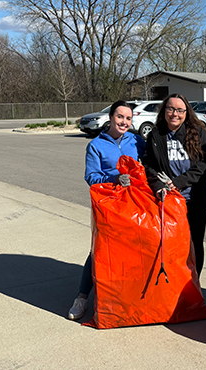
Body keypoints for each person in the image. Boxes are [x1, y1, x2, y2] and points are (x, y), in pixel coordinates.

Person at [68, 100, 145, 320]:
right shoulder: (96, 145)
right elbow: (91, 177)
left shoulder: (137, 141)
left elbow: (147, 167)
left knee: (131, 250)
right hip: (108, 205)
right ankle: (82, 297)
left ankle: (124, 295)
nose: (124, 122)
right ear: (111, 117)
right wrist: (114, 179)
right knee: (100, 250)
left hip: (133, 204)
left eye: (128, 118)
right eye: (120, 117)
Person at [143, 93, 206, 277]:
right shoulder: (155, 135)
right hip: (168, 203)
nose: (174, 114)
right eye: (170, 109)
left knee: (194, 244)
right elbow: (148, 165)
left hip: (195, 201)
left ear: (186, 112)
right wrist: (159, 184)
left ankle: (193, 285)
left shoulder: (198, 132)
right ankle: (174, 287)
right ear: (164, 110)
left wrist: (177, 183)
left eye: (179, 110)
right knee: (170, 246)